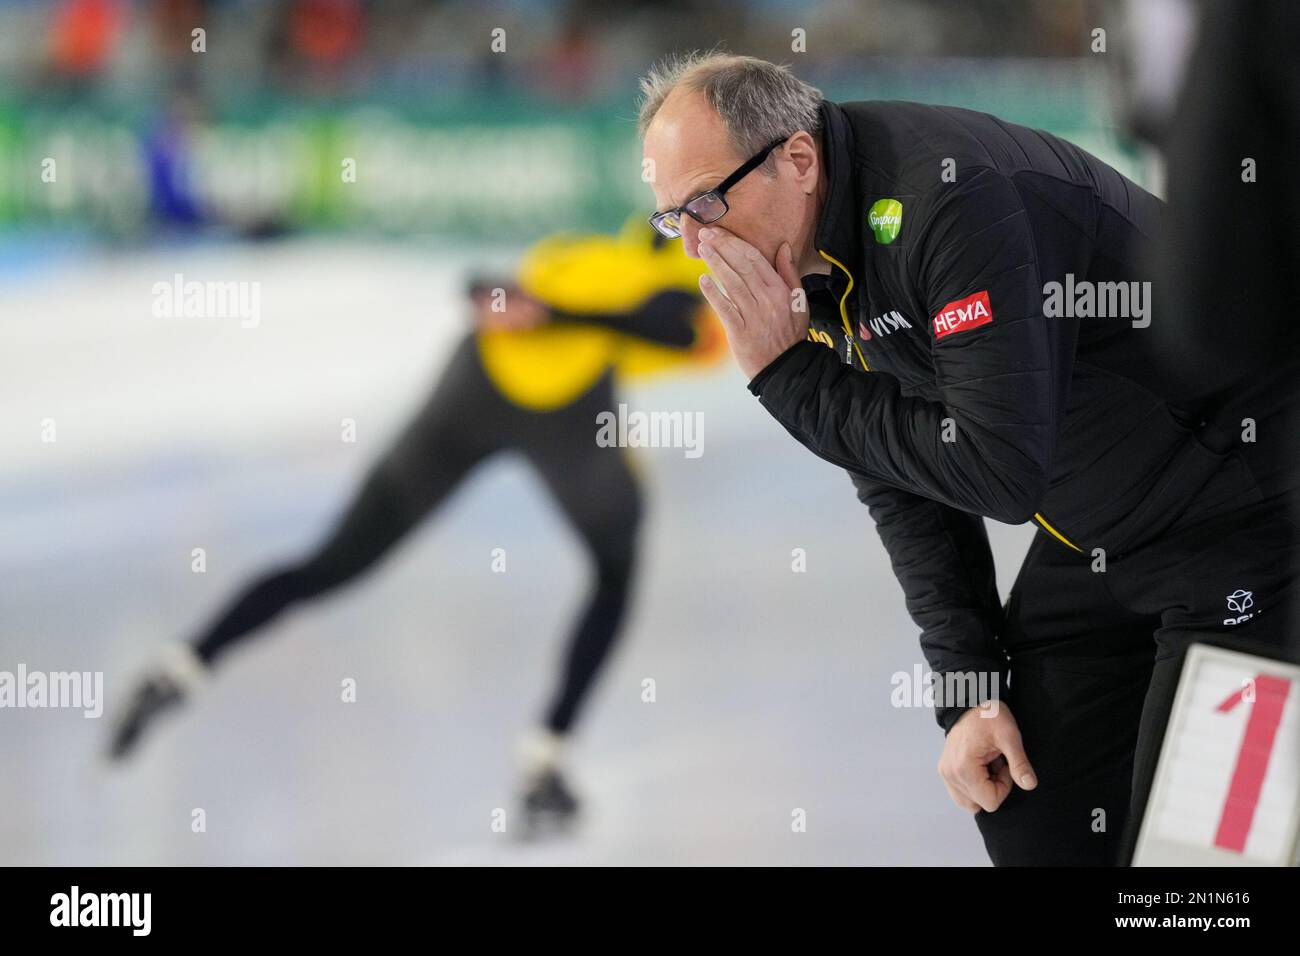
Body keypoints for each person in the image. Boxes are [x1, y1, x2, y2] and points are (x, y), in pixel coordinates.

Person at [637, 52, 1298, 865]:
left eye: (706, 202)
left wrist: (789, 376)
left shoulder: (946, 200)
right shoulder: (806, 264)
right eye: (674, 220)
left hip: (1257, 521)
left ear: (798, 161)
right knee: (1033, 815)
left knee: (1208, 863)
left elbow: (997, 471)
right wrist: (968, 687)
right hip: (1106, 533)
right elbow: (900, 483)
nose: (697, 245)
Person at [107, 221, 722, 836]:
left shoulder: (590, 251)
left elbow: (506, 295)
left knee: (331, 565)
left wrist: (541, 309)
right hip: (555, 411)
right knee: (615, 573)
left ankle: (184, 663)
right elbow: (679, 331)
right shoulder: (663, 268)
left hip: (478, 383)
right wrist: (534, 307)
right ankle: (544, 760)